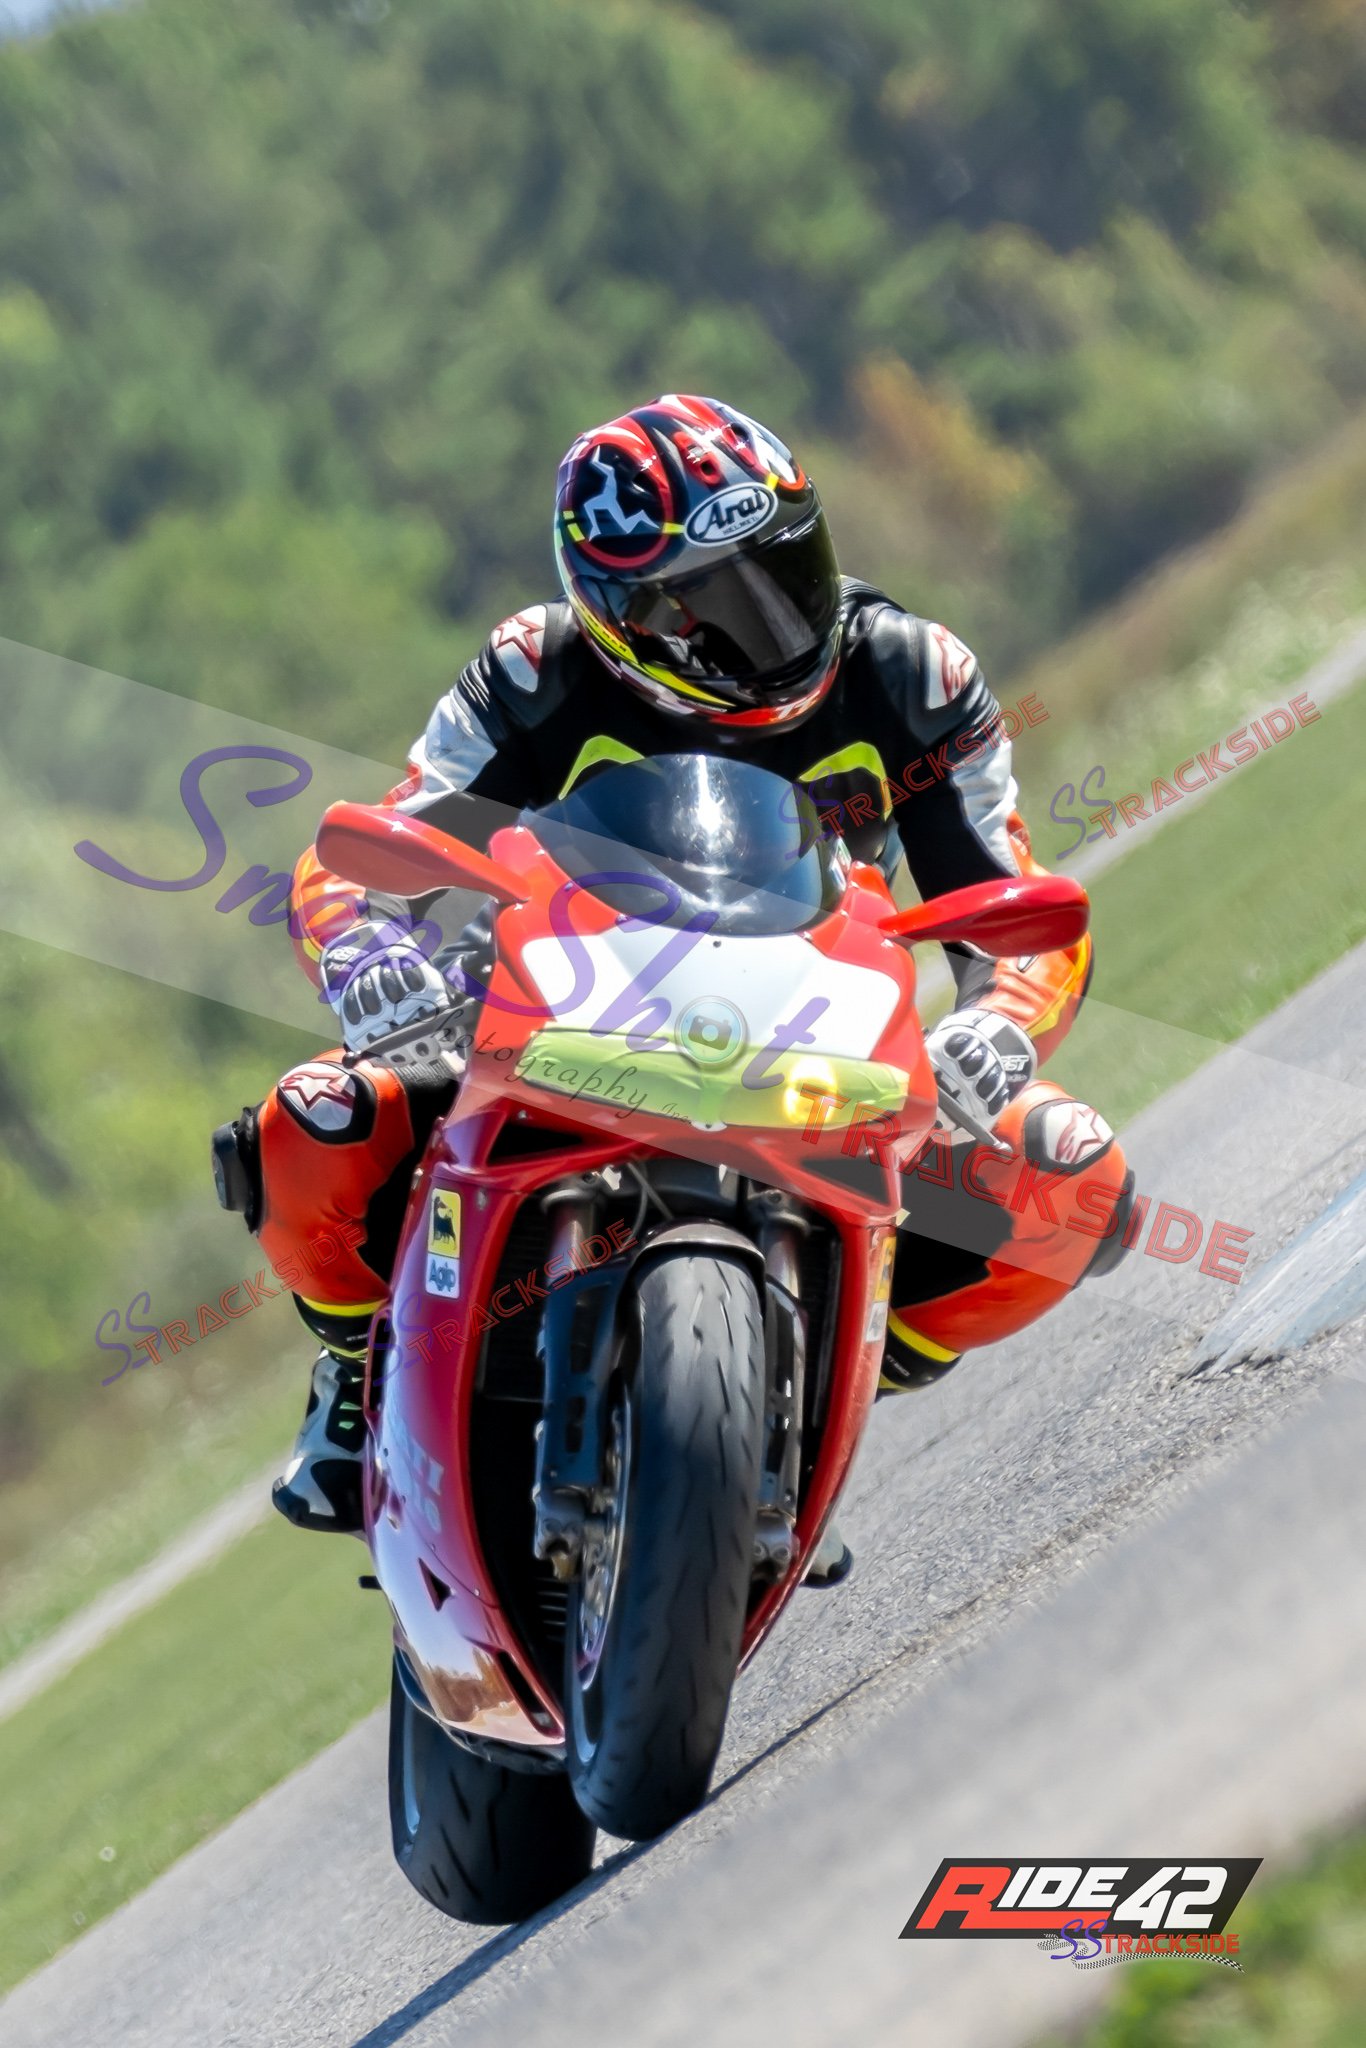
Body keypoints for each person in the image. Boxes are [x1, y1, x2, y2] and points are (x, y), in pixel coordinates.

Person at [214, 395, 1132, 1575]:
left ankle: (815, 1398)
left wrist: (999, 1021)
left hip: (821, 1036)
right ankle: (357, 1367)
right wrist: (368, 954)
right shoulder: (534, 670)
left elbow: (1013, 898)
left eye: (786, 568)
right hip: (550, 1017)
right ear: (620, 617)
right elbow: (365, 850)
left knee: (1070, 1177)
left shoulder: (914, 673)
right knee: (317, 1120)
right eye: (713, 602)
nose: (775, 622)